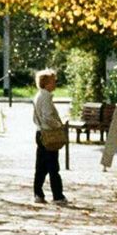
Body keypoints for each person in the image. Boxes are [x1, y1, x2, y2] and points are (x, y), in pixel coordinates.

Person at [32, 69, 67, 204]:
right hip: (49, 134)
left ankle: (38, 193)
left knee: (41, 166)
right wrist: (58, 125)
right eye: (53, 81)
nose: (55, 84)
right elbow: (48, 117)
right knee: (53, 166)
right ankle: (57, 195)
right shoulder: (46, 98)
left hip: (40, 133)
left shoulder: (39, 96)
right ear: (46, 84)